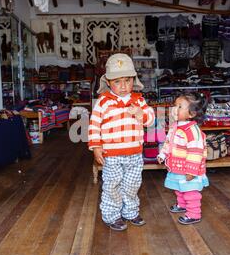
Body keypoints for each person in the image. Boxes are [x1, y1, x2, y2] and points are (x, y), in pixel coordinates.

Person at [88, 53, 155, 231]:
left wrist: (141, 114)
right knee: (112, 185)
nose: (123, 86)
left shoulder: (138, 100)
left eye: (127, 80)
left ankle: (131, 212)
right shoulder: (103, 102)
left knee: (132, 185)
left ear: (134, 80)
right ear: (108, 82)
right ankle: (112, 215)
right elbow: (94, 125)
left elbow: (150, 120)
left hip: (134, 154)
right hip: (112, 156)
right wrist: (96, 147)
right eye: (117, 81)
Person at [157, 94, 209, 225]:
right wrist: (162, 155)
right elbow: (168, 143)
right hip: (177, 166)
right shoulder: (175, 126)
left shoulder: (192, 131)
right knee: (179, 188)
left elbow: (196, 152)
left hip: (188, 169)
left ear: (191, 114)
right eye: (175, 105)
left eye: (179, 107)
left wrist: (191, 171)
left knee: (190, 192)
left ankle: (194, 214)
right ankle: (182, 205)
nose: (175, 108)